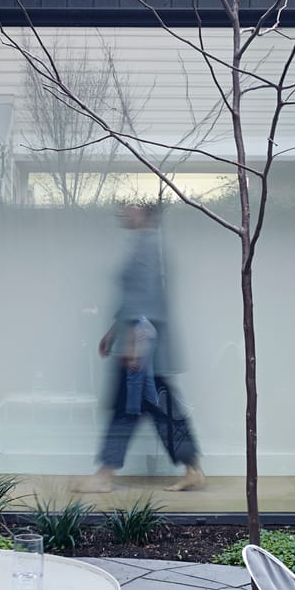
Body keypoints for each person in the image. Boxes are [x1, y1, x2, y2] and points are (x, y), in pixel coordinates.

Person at [79, 202, 207, 493]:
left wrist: (134, 344)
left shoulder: (149, 246)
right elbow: (135, 296)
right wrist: (114, 331)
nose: (124, 211)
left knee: (127, 408)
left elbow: (149, 299)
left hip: (143, 347)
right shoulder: (143, 244)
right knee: (160, 408)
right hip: (143, 345)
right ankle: (193, 468)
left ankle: (104, 475)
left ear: (146, 212)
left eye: (132, 207)